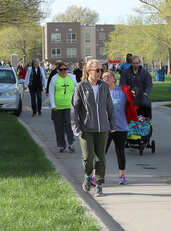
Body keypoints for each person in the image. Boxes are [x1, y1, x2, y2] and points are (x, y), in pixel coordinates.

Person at [71, 59, 116, 197]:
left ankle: (99, 184)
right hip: (86, 128)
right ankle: (87, 175)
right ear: (89, 71)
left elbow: (109, 106)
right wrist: (75, 126)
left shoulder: (103, 86)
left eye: (101, 70)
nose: (100, 73)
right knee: (88, 156)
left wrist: (112, 123)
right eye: (97, 70)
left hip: (102, 127)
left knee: (100, 157)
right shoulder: (80, 87)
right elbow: (75, 108)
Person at [102, 71, 137, 185]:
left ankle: (122, 176)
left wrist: (135, 94)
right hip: (105, 128)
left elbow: (133, 103)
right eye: (104, 77)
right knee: (101, 153)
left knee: (120, 152)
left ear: (114, 79)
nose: (106, 78)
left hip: (121, 127)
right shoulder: (101, 93)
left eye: (108, 76)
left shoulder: (122, 92)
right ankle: (95, 175)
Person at [49, 62, 77, 153]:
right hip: (58, 106)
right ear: (58, 70)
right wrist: (53, 105)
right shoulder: (54, 78)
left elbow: (77, 90)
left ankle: (70, 143)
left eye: (65, 69)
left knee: (70, 124)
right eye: (61, 69)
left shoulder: (72, 77)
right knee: (59, 126)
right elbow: (51, 92)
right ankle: (61, 144)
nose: (63, 71)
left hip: (70, 105)